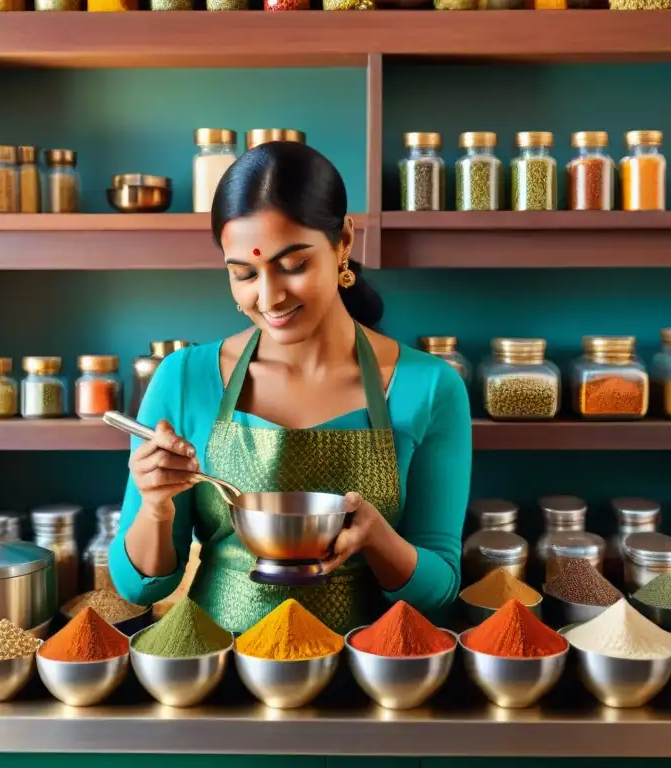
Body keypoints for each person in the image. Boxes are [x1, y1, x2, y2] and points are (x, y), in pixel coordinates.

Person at [110, 141, 472, 634]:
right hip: (218, 671)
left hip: (370, 674)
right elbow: (139, 588)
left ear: (344, 240)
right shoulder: (182, 377)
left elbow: (440, 587)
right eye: (243, 273)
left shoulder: (430, 387)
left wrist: (377, 540)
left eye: (293, 265)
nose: (269, 297)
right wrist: (155, 505)